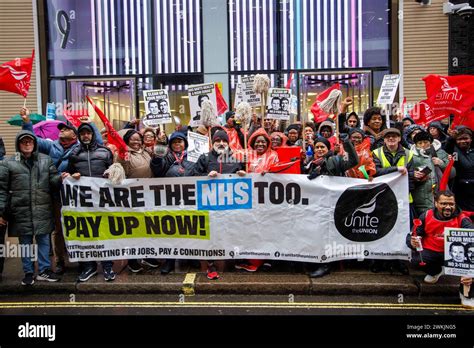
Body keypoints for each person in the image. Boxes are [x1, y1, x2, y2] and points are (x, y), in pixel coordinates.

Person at [20, 107, 102, 275]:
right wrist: (27, 122)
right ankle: (60, 260)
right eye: (61, 130)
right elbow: (31, 140)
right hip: (57, 195)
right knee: (59, 229)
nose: (62, 131)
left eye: (65, 129)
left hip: (77, 196)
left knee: (79, 226)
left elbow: (98, 143)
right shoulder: (51, 146)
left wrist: (89, 123)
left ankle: (80, 257)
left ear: (74, 134)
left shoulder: (81, 147)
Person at [0, 131, 62, 285]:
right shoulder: (8, 163)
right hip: (20, 211)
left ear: (34, 144)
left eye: (30, 141)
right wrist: (1, 212)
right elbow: (1, 189)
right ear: (18, 145)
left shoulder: (46, 160)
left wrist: (61, 178)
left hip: (42, 209)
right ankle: (28, 272)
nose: (27, 144)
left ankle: (44, 270)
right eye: (24, 142)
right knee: (25, 242)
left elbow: (53, 180)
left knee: (44, 240)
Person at [63, 123, 116, 282]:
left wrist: (110, 176)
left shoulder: (105, 152)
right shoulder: (73, 153)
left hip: (103, 199)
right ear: (79, 136)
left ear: (93, 134)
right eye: (82, 133)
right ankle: (89, 267)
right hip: (83, 202)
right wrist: (72, 176)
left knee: (105, 232)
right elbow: (70, 173)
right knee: (86, 233)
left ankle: (107, 267)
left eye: (88, 133)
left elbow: (113, 171)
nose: (86, 136)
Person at [193, 130, 246, 279]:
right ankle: (207, 265)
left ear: (228, 143)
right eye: (218, 141)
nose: (221, 144)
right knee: (207, 235)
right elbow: (192, 177)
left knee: (224, 234)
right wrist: (205, 177)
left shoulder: (236, 158)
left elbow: (246, 179)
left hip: (228, 207)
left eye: (224, 141)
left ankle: (221, 264)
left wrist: (242, 174)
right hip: (207, 206)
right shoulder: (204, 158)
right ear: (213, 143)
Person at [305, 136, 359, 277]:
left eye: (322, 147)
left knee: (326, 234)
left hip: (331, 204)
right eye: (317, 147)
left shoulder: (335, 160)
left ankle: (325, 264)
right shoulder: (309, 162)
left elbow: (354, 160)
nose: (320, 149)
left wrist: (346, 142)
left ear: (328, 148)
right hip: (314, 204)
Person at [150, 131, 196, 274]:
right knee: (171, 229)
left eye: (180, 141)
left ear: (185, 144)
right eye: (174, 142)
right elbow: (157, 170)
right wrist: (157, 157)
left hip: (188, 197)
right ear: (170, 145)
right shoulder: (166, 156)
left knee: (189, 226)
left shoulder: (194, 157)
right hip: (170, 198)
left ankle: (191, 256)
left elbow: (199, 172)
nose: (177, 144)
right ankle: (169, 261)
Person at [234, 128, 279, 272]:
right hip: (249, 200)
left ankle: (264, 260)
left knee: (266, 229)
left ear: (268, 143)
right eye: (257, 141)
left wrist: (271, 172)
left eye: (263, 142)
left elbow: (280, 172)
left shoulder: (273, 155)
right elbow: (228, 155)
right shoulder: (247, 155)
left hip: (267, 200)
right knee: (250, 229)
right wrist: (241, 171)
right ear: (253, 143)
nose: (260, 144)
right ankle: (252, 260)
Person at [371, 128, 414, 274]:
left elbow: (412, 175)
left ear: (400, 138)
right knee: (381, 230)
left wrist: (417, 175)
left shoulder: (409, 154)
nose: (391, 139)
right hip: (382, 198)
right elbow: (375, 172)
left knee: (401, 231)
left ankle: (400, 261)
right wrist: (396, 169)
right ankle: (379, 261)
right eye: (388, 136)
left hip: (403, 199)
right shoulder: (376, 153)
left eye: (394, 136)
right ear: (383, 140)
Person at [407, 191, 473, 284]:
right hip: (431, 251)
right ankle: (436, 272)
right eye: (443, 204)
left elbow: (472, 239)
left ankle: (466, 290)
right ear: (436, 203)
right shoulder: (426, 215)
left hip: (453, 254)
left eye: (451, 204)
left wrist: (469, 271)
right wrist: (412, 242)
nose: (448, 207)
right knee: (415, 260)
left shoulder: (462, 219)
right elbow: (412, 234)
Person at [411, 131, 452, 217]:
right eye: (420, 143)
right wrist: (415, 176)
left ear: (431, 143)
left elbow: (452, 173)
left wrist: (441, 163)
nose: (423, 145)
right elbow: (408, 175)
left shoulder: (440, 153)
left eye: (425, 142)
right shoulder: (411, 156)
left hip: (441, 195)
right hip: (421, 197)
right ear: (415, 144)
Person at [445, 127, 474, 212]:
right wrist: (451, 138)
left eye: (465, 138)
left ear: (471, 139)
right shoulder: (453, 150)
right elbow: (447, 149)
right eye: (459, 139)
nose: (463, 141)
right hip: (459, 190)